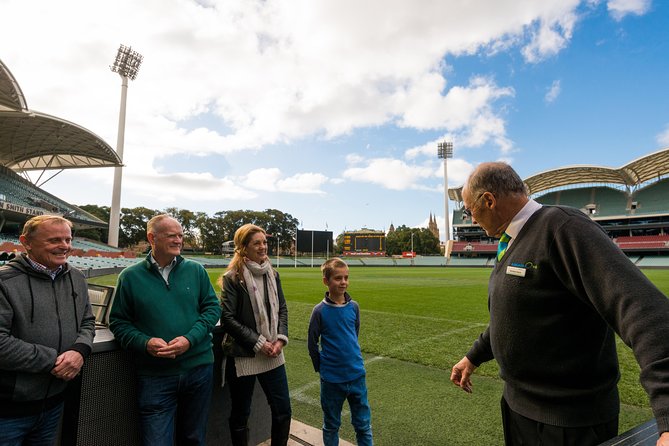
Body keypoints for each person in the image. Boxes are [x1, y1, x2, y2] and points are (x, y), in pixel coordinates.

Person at [449, 162, 669, 446]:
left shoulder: (564, 227)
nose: (470, 218)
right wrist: (474, 356)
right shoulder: (513, 240)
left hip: (569, 422)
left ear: (488, 200)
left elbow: (645, 310)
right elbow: (517, 316)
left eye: (469, 210)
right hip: (520, 409)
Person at [109, 214, 221, 446]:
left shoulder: (196, 270)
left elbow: (212, 309)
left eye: (180, 235)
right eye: (172, 235)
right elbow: (119, 323)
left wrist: (189, 340)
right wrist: (145, 343)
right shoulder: (129, 277)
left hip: (198, 369)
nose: (178, 240)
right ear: (152, 238)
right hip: (155, 376)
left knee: (194, 438)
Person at [0, 215, 95, 445]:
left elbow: (88, 322)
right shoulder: (4, 281)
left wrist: (79, 351)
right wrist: (55, 361)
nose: (64, 246)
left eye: (68, 239)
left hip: (54, 403)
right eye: (54, 240)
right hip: (8, 410)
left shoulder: (77, 277)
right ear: (26, 242)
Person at [220, 224, 291, 446]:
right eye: (256, 243)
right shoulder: (232, 278)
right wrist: (259, 343)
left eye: (264, 242)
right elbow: (228, 319)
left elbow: (282, 309)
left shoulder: (273, 273)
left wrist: (280, 339)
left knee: (283, 410)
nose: (263, 247)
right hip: (245, 354)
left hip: (273, 353)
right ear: (243, 248)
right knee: (241, 413)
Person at [308, 257, 373, 446]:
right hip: (331, 379)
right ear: (326, 281)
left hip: (356, 375)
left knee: (363, 425)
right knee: (331, 425)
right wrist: (321, 367)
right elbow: (312, 343)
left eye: (346, 277)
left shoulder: (354, 307)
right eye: (338, 278)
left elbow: (354, 333)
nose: (343, 282)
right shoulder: (319, 311)